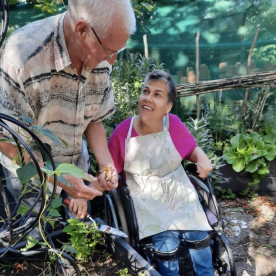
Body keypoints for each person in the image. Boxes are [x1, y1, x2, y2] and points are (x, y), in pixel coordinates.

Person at [0, 0, 136, 219]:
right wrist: (60, 178)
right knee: (34, 242)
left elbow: (94, 118)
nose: (113, 60)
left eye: (118, 50)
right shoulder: (22, 56)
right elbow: (5, 140)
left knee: (80, 232)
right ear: (82, 29)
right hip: (28, 171)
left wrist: (106, 164)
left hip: (76, 162)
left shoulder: (102, 54)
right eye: (108, 51)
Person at [108, 70, 214, 276]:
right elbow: (109, 170)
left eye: (157, 94)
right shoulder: (123, 132)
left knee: (199, 236)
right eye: (145, 91)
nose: (148, 98)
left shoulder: (172, 124)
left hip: (177, 189)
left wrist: (202, 158)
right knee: (166, 244)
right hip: (145, 197)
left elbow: (191, 149)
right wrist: (105, 179)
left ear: (167, 107)